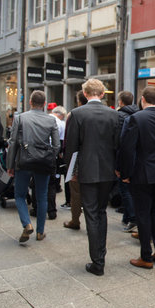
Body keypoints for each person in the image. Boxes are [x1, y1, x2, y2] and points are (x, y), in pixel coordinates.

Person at [65, 79, 120, 276]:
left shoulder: (77, 114)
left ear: (86, 94)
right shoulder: (114, 114)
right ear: (102, 94)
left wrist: (70, 172)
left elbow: (70, 147)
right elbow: (118, 144)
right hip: (107, 170)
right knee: (101, 212)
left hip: (86, 170)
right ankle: (100, 256)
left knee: (90, 213)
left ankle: (98, 261)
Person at [119, 86, 155, 269]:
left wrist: (125, 174)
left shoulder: (136, 118)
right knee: (153, 209)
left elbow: (127, 148)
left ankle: (146, 257)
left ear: (143, 99)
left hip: (143, 172)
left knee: (142, 213)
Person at [7, 91, 59, 242]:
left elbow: (13, 142)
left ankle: (27, 223)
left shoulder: (20, 118)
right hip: (43, 162)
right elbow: (56, 145)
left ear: (30, 102)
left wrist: (10, 164)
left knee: (20, 195)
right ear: (44, 104)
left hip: (24, 161)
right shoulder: (51, 120)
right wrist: (49, 157)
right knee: (42, 196)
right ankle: (40, 232)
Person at [63, 90, 87, 231]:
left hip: (77, 159)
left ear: (79, 101)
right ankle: (92, 224)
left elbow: (68, 141)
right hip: (95, 161)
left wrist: (68, 164)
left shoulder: (74, 115)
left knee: (76, 192)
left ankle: (75, 220)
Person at [115, 90, 139, 232]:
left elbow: (119, 141)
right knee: (131, 190)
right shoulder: (138, 113)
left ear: (120, 102)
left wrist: (117, 164)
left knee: (125, 189)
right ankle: (127, 217)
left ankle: (132, 218)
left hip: (124, 157)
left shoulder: (119, 116)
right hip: (137, 157)